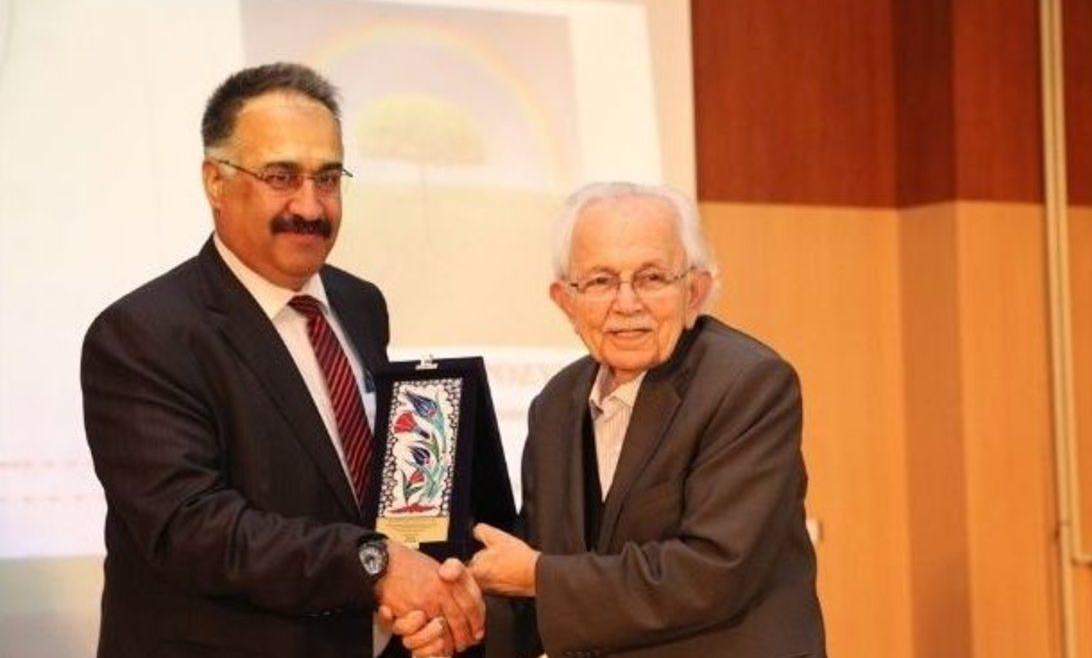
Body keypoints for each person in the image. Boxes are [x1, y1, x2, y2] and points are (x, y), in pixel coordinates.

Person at [81, 62, 482, 658]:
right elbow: (192, 528)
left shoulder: (359, 303)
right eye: (281, 176)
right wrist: (375, 564)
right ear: (216, 182)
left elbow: (372, 492)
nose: (311, 206)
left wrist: (435, 582)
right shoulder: (143, 334)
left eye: (328, 178)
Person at [465, 182, 826, 657]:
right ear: (565, 301)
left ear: (694, 293)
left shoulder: (749, 384)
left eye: (652, 278)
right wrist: (455, 620)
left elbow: (712, 571)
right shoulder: (555, 405)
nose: (627, 303)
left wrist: (538, 577)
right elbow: (535, 583)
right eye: (600, 281)